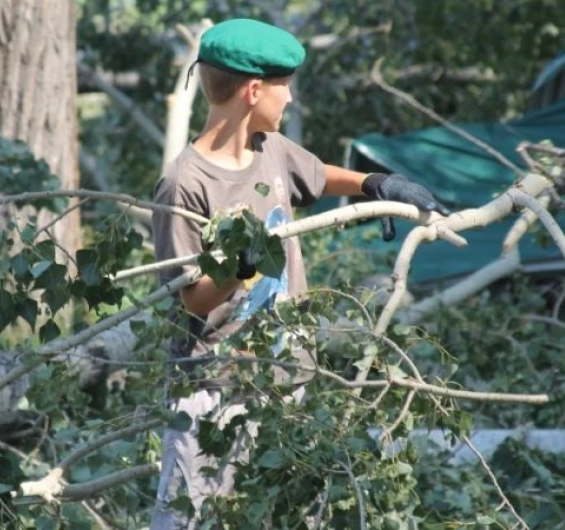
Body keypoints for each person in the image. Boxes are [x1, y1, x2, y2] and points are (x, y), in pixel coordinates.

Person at [149, 18, 450, 528]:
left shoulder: (271, 148)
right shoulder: (184, 183)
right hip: (215, 390)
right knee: (195, 519)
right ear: (252, 90)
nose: (289, 98)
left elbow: (316, 175)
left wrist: (377, 184)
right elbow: (194, 300)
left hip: (288, 380)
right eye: (284, 87)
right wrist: (239, 266)